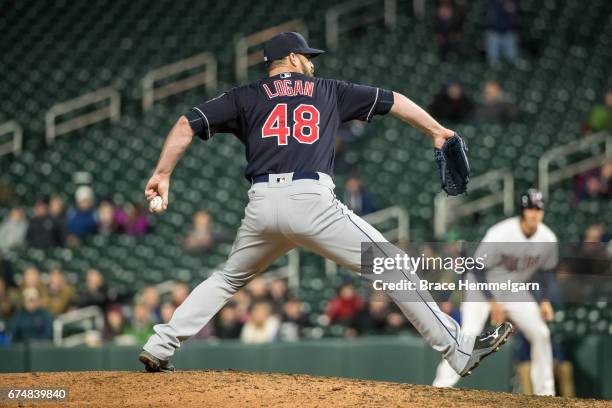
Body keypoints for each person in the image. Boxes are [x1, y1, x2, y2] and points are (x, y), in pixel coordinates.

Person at [139, 31, 512, 373]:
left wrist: (163, 173)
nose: (311, 61)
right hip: (311, 199)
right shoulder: (328, 90)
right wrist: (436, 130)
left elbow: (188, 122)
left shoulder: (244, 95)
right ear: (293, 59)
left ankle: (160, 345)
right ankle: (456, 349)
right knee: (392, 264)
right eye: (306, 56)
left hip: (263, 205)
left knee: (227, 278)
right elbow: (392, 100)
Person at [433, 189, 557, 396]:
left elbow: (546, 272)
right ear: (522, 211)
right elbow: (477, 268)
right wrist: (493, 303)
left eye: (538, 209)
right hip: (480, 288)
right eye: (530, 209)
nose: (534, 213)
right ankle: (439, 388)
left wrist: (545, 300)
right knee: (468, 335)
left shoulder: (548, 237)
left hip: (513, 289)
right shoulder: (501, 233)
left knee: (541, 333)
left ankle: (546, 394)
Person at [484, 0, 520, 67]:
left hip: (509, 34)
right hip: (493, 33)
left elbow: (517, 15)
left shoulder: (513, 2)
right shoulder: (490, 3)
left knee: (512, 60)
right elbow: (485, 16)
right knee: (493, 62)